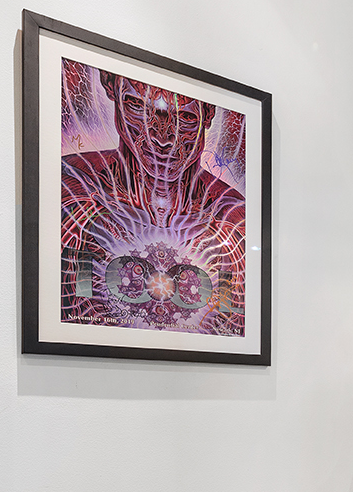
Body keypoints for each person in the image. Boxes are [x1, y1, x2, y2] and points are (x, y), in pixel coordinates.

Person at [60, 66, 245, 335]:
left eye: (185, 117)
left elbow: (231, 329)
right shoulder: (71, 187)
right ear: (109, 84)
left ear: (209, 114)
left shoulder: (235, 220)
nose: (161, 138)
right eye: (137, 106)